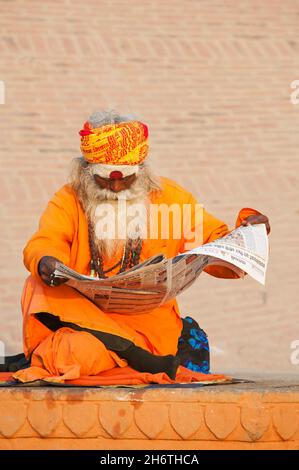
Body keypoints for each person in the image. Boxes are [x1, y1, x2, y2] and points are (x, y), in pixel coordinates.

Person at [13, 110, 270, 384]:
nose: (115, 185)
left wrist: (246, 233)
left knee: (69, 358)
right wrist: (46, 261)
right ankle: (131, 356)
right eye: (104, 177)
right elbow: (46, 240)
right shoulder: (69, 198)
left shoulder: (171, 198)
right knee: (43, 299)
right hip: (85, 322)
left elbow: (213, 240)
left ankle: (131, 352)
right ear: (85, 171)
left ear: (143, 170)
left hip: (147, 328)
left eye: (126, 177)